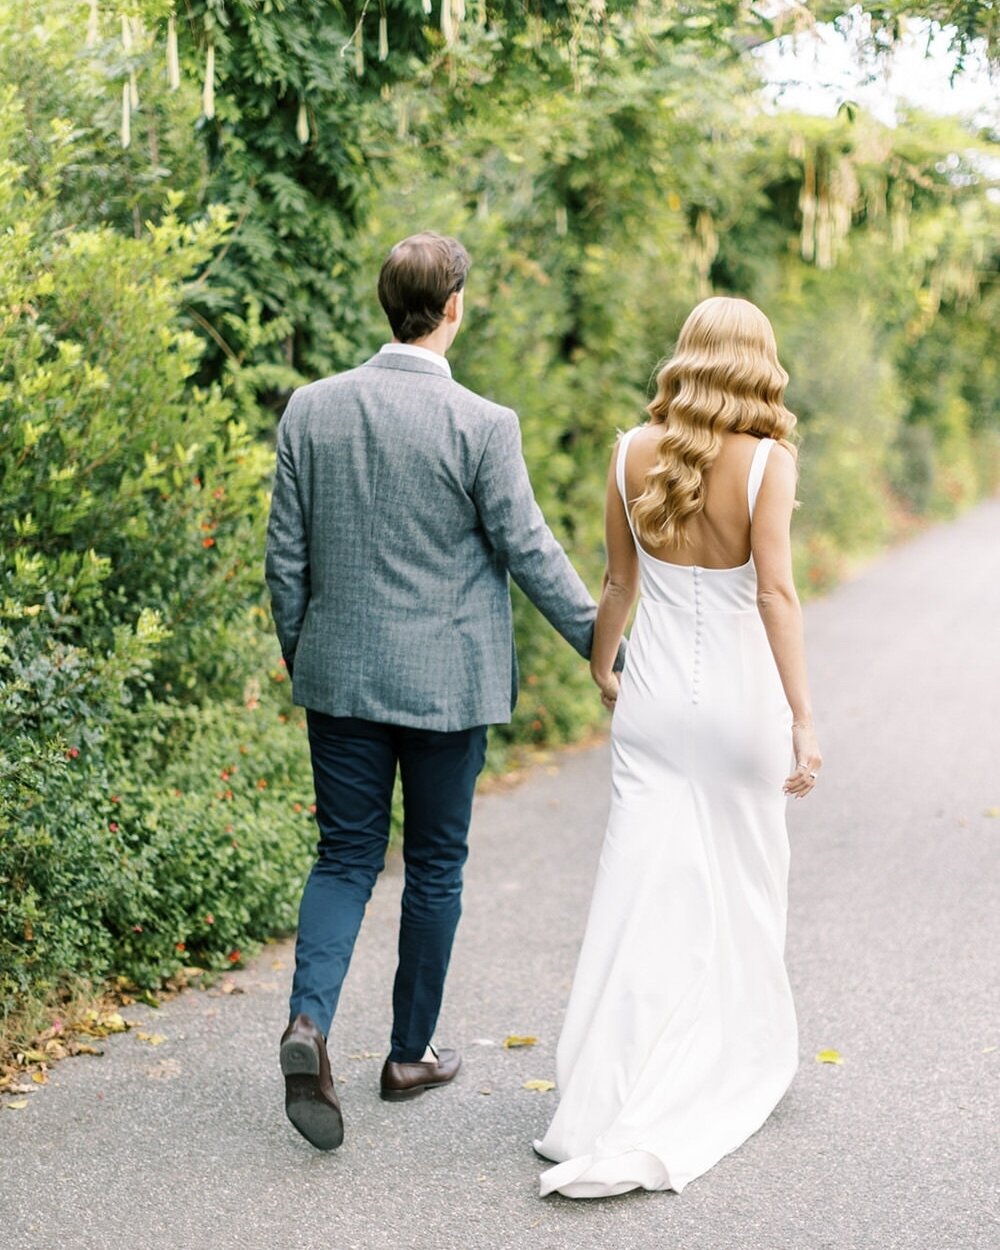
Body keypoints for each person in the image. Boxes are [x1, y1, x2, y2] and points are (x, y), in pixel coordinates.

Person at [265, 231, 619, 1152]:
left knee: (344, 859)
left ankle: (309, 1025)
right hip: (447, 691)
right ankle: (407, 1053)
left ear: (391, 305)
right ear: (454, 305)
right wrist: (602, 643)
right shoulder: (482, 424)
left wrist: (308, 654)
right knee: (433, 866)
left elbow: (283, 561)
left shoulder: (311, 409)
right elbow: (529, 547)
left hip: (339, 679)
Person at [534, 295, 822, 1198]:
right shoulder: (768, 464)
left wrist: (602, 664)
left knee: (638, 890)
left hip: (652, 703)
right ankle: (727, 1061)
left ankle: (601, 1094)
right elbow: (776, 595)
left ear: (686, 358)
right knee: (741, 887)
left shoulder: (629, 454)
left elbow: (617, 583)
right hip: (740, 709)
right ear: (758, 366)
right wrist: (804, 717)